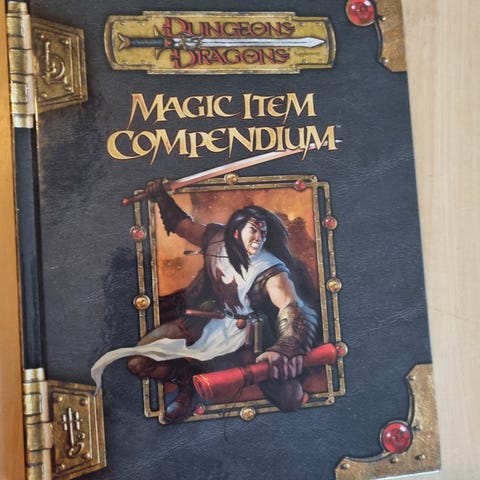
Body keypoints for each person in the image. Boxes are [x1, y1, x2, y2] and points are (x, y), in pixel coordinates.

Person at [91, 179, 319, 423]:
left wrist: (284, 348)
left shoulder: (270, 268)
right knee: (138, 363)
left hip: (249, 335)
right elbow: (183, 226)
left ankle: (201, 382)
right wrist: (161, 197)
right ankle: (187, 380)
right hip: (208, 321)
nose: (259, 238)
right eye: (254, 230)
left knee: (290, 398)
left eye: (263, 232)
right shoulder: (215, 238)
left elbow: (290, 305)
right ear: (235, 232)